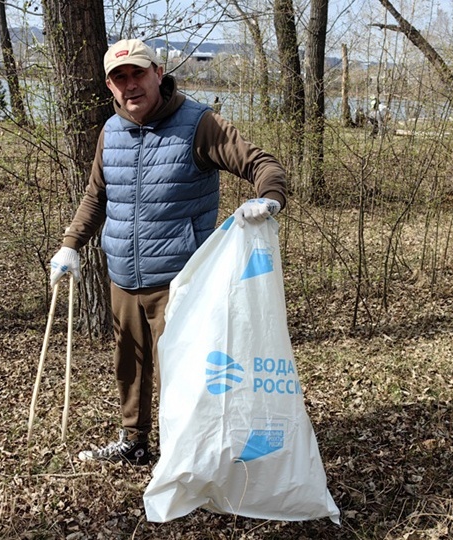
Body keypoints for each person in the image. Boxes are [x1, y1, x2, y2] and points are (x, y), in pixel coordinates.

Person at [48, 39, 289, 465]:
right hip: (122, 277)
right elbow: (96, 196)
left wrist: (267, 200)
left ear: (158, 73)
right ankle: (134, 443)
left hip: (181, 282)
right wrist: (70, 245)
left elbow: (261, 164)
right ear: (109, 86)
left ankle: (190, 454)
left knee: (186, 373)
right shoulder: (111, 132)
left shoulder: (198, 123)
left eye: (138, 73)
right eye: (119, 78)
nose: (130, 85)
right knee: (130, 366)